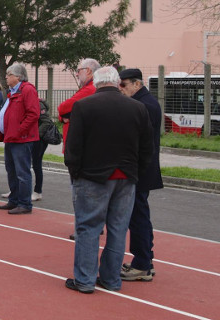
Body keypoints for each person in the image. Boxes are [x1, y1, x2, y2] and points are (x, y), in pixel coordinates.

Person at [64, 66, 153, 294]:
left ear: (96, 83)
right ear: (116, 83)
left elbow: (73, 147)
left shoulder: (83, 106)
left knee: (88, 228)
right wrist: (135, 171)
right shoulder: (138, 108)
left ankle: (84, 280)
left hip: (92, 177)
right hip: (126, 177)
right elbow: (146, 148)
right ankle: (112, 279)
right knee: (118, 229)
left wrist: (75, 171)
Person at [118, 68, 164, 281]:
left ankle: (142, 264)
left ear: (137, 84)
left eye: (124, 85)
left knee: (137, 217)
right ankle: (146, 260)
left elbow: (138, 139)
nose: (121, 89)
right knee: (140, 215)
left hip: (140, 169)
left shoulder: (144, 105)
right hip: (142, 167)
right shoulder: (147, 102)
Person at [0, 63, 40, 215]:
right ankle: (14, 200)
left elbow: (33, 114)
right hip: (11, 138)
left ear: (18, 77)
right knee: (11, 170)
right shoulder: (12, 92)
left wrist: (19, 130)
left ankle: (25, 203)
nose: (6, 77)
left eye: (9, 75)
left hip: (22, 139)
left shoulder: (27, 90)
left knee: (22, 172)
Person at [58, 58, 98, 152]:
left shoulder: (90, 89)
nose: (76, 74)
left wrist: (64, 116)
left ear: (88, 71)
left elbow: (62, 108)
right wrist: (63, 117)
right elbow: (63, 112)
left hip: (77, 144)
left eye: (78, 70)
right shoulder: (89, 88)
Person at [31, 99, 53, 201]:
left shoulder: (38, 104)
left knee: (36, 164)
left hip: (39, 140)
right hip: (32, 138)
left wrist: (37, 135)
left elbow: (46, 122)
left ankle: (37, 191)